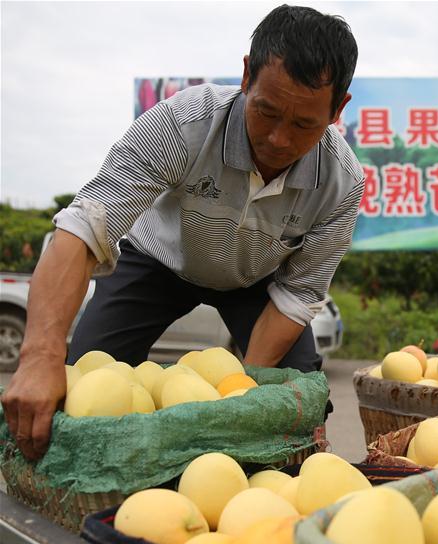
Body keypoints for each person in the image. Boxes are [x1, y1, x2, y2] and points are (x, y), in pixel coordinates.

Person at [1, 5, 363, 460]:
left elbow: (297, 295)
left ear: (337, 110)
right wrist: (39, 355)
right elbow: (84, 227)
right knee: (78, 382)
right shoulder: (182, 124)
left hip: (257, 284)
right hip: (158, 262)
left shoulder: (342, 181)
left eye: (303, 124)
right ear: (247, 75)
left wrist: (242, 401)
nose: (278, 140)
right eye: (267, 112)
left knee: (292, 409)